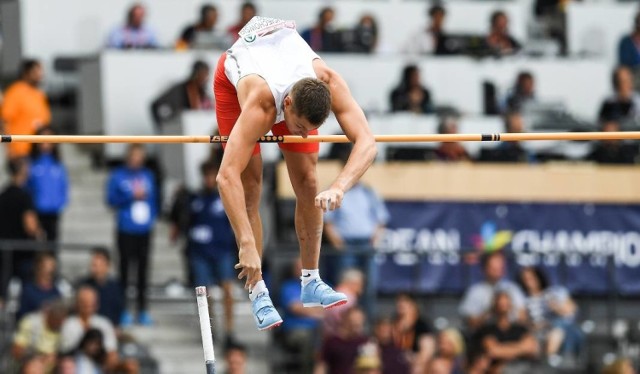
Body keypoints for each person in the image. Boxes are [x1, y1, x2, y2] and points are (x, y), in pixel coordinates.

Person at [213, 15, 376, 331]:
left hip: (280, 60)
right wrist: (246, 242)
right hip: (238, 83)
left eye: (310, 130)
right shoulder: (260, 103)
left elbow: (368, 142)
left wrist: (340, 186)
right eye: (300, 127)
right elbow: (225, 177)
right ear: (287, 104)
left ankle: (311, 280)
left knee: (308, 180)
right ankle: (258, 291)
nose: (303, 136)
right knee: (250, 183)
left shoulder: (328, 82)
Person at [170, 161, 237, 341]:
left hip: (222, 250)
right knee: (203, 293)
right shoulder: (194, 199)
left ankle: (229, 330)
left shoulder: (226, 197)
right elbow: (182, 220)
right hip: (199, 252)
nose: (209, 180)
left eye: (211, 176)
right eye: (206, 176)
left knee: (227, 290)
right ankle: (210, 329)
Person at [323, 147, 389, 315]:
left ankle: (368, 323)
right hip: (347, 245)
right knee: (345, 288)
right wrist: (339, 244)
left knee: (369, 287)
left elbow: (381, 219)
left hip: (367, 245)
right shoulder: (333, 191)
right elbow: (328, 222)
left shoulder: (368, 191)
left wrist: (374, 240)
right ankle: (343, 322)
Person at [106, 144, 157, 326]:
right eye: (134, 155)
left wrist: (151, 218)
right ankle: (124, 310)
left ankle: (143, 310)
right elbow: (110, 200)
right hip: (126, 229)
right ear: (128, 157)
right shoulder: (118, 175)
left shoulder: (148, 175)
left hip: (144, 230)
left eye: (140, 156)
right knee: (125, 271)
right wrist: (131, 196)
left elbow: (154, 200)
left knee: (143, 271)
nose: (137, 159)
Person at [517, 266, 584, 357]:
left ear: (539, 277)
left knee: (556, 332)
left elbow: (572, 311)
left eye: (531, 278)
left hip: (561, 329)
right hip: (536, 332)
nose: (528, 282)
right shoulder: (523, 300)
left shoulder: (554, 292)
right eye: (525, 279)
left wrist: (556, 308)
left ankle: (549, 363)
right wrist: (533, 325)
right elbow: (521, 321)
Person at [0, 158, 43, 297]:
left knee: (3, 289)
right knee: (27, 290)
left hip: (4, 250)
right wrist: (40, 234)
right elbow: (30, 225)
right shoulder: (24, 196)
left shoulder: (3, 194)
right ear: (23, 170)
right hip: (22, 251)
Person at [459, 251, 526, 331]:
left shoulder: (513, 289)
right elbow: (471, 322)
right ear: (484, 268)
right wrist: (492, 312)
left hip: (512, 333)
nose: (497, 270)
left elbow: (522, 317)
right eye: (493, 267)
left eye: (500, 267)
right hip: (484, 334)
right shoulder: (475, 291)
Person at [279, 257, 323, 373]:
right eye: (299, 268)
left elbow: (331, 306)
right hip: (296, 330)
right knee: (309, 339)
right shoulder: (288, 287)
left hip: (322, 329)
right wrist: (317, 310)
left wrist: (306, 308)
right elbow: (294, 308)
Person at [477, 292, 539, 372]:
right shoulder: (487, 329)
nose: (503, 306)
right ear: (495, 306)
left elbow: (531, 348)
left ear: (511, 305)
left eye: (506, 303)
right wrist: (521, 348)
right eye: (500, 304)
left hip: (522, 368)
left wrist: (504, 351)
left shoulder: (520, 328)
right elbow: (493, 351)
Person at [1, 59, 51, 159]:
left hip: (39, 151)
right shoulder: (15, 92)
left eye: (40, 71)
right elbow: (4, 121)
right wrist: (10, 149)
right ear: (26, 73)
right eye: (36, 71)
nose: (40, 75)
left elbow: (45, 123)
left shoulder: (39, 94)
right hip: (20, 151)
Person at [59, 287, 118, 370]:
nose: (88, 306)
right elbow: (66, 352)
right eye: (84, 303)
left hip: (100, 365)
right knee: (67, 364)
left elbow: (111, 351)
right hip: (76, 366)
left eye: (91, 303)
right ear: (77, 304)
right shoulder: (69, 324)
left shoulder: (104, 323)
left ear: (96, 304)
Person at [28, 126, 68, 243]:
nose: (46, 142)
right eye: (43, 138)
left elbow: (63, 186)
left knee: (52, 245)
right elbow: (27, 187)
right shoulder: (32, 163)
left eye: (49, 139)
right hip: (36, 211)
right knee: (35, 246)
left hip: (53, 212)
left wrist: (60, 202)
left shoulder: (57, 163)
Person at [151, 61, 213, 127]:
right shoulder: (180, 90)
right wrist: (162, 126)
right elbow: (155, 105)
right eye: (204, 74)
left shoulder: (203, 93)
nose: (206, 78)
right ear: (196, 74)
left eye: (207, 74)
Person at [12, 299, 68, 371]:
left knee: (67, 366)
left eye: (63, 320)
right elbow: (16, 350)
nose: (61, 323)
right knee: (34, 367)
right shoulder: (31, 322)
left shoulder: (63, 329)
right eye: (58, 319)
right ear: (49, 314)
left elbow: (63, 352)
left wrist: (56, 359)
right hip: (29, 364)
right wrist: (41, 358)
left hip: (53, 368)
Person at [77, 248, 125, 327]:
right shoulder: (84, 285)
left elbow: (118, 310)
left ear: (107, 265)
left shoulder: (115, 287)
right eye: (93, 265)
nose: (95, 269)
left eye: (99, 265)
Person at [315, 307, 370, 374]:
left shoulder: (365, 342)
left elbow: (372, 368)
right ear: (345, 321)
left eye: (360, 322)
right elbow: (322, 366)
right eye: (354, 322)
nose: (357, 325)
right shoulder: (332, 342)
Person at [391, 294, 436, 373]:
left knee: (418, 368)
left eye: (405, 301)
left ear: (414, 305)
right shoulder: (391, 324)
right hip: (393, 360)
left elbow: (426, 353)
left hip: (414, 363)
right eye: (399, 301)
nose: (401, 304)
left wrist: (414, 359)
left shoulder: (422, 326)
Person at [17, 252, 62, 320]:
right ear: (39, 268)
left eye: (53, 266)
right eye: (47, 266)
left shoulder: (56, 292)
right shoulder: (28, 291)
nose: (50, 270)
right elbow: (22, 316)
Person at [322, 269, 365, 338]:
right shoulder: (349, 296)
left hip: (328, 334)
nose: (361, 288)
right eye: (360, 284)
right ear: (353, 283)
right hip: (341, 337)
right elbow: (344, 319)